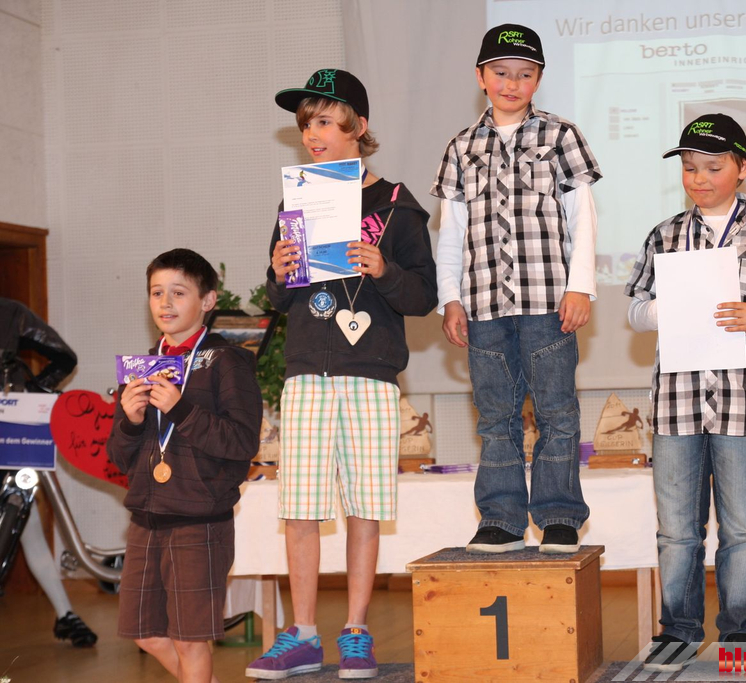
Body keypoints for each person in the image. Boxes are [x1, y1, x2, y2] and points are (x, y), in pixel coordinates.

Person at [245, 69, 437, 680]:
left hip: (370, 375)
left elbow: (423, 296)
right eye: (307, 123)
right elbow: (279, 299)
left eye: (326, 121)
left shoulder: (398, 204)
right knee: (301, 508)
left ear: (359, 127)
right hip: (306, 374)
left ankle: (355, 631)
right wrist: (279, 272)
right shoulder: (295, 201)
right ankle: (303, 634)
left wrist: (383, 270)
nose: (313, 134)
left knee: (364, 507)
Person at [624, 114, 746, 671]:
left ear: (742, 168)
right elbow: (634, 309)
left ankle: (741, 633)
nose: (699, 178)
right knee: (676, 531)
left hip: (743, 400)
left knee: (743, 529)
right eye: (690, 168)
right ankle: (679, 631)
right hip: (677, 403)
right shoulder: (664, 235)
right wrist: (664, 310)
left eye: (712, 167)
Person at [431, 24, 601, 554]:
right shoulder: (461, 146)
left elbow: (582, 218)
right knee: (495, 416)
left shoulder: (561, 136)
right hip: (483, 306)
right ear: (481, 77)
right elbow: (451, 231)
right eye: (501, 73)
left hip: (548, 302)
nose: (512, 83)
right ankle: (501, 518)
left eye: (524, 74)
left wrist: (580, 286)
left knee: (557, 412)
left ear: (539, 79)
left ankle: (559, 516)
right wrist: (450, 297)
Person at [108, 249, 263, 683]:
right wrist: (130, 421)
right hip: (146, 516)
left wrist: (181, 410)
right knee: (144, 633)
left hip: (200, 519)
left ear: (208, 300)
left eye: (179, 292)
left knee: (190, 640)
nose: (165, 303)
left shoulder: (228, 362)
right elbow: (118, 457)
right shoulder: (142, 367)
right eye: (156, 292)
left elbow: (241, 442)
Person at [0, 297, 97, 647]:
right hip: (11, 431)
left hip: (11, 433)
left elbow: (64, 356)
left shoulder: (10, 313)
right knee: (22, 525)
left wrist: (30, 395)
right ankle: (65, 613)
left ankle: (65, 613)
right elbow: (64, 357)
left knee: (23, 525)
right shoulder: (10, 312)